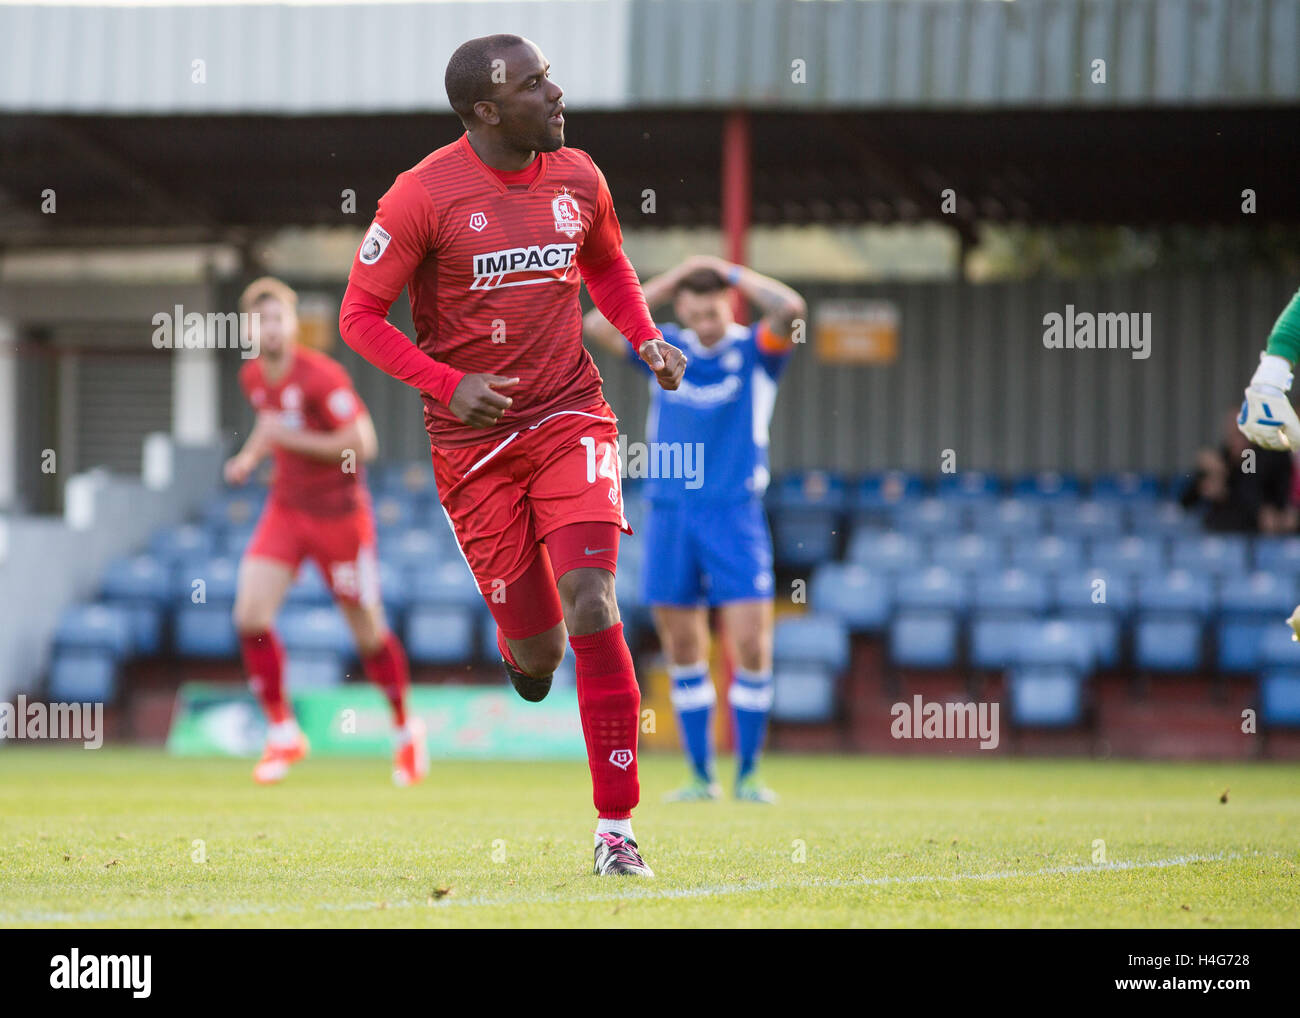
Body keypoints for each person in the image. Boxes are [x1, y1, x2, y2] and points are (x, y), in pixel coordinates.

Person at [337, 35, 687, 877]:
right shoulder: (422, 196)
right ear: (486, 110)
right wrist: (447, 382)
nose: (557, 92)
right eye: (536, 85)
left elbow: (607, 266)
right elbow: (360, 317)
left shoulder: (581, 177)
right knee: (540, 652)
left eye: (549, 75)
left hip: (571, 415)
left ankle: (616, 831)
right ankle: (525, 656)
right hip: (473, 448)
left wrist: (644, 338)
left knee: (593, 600)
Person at [584, 255, 805, 803]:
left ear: (726, 306)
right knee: (684, 645)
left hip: (735, 511)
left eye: (712, 312)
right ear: (680, 310)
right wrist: (670, 282)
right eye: (693, 312)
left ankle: (749, 773)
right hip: (670, 511)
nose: (704, 324)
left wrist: (724, 271)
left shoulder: (755, 350)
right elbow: (594, 325)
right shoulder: (663, 350)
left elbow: (792, 309)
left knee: (751, 644)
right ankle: (701, 777)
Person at [225, 277, 427, 787]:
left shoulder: (321, 376)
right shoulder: (252, 377)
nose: (270, 327)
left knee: (368, 633)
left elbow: (363, 444)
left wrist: (282, 438)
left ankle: (406, 731)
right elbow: (269, 425)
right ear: (250, 328)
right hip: (286, 510)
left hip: (340, 517)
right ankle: (282, 732)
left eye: (278, 318)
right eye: (261, 319)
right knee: (250, 615)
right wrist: (249, 459)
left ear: (293, 326)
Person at [1181, 407, 1293, 533]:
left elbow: (1249, 491)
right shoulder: (1222, 456)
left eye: (1240, 434)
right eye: (1231, 434)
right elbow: (1186, 501)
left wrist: (1223, 479)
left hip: (1253, 532)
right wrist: (1202, 476)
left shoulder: (1258, 455)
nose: (1235, 440)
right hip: (1221, 530)